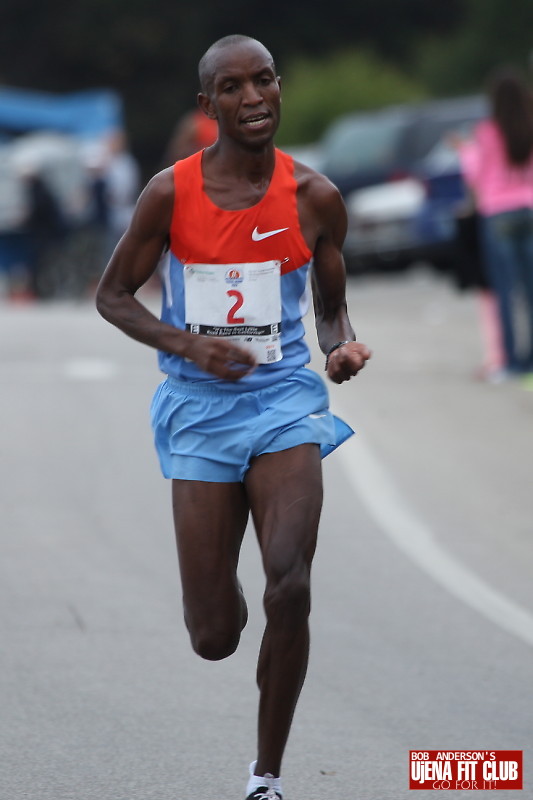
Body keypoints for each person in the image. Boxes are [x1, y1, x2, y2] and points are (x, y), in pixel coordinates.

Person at [96, 34, 371, 799]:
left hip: (283, 403)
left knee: (291, 584)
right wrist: (191, 344)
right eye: (232, 87)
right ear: (206, 104)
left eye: (263, 80)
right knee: (214, 635)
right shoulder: (170, 193)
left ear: (278, 87)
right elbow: (112, 295)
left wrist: (339, 349)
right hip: (199, 409)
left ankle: (265, 777)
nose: (252, 97)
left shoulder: (315, 196)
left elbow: (331, 307)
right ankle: (221, 589)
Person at [456, 66, 533, 379]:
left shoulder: (487, 131)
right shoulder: (529, 126)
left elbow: (475, 176)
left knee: (504, 292)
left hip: (498, 213)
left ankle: (511, 363)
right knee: (530, 290)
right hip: (528, 208)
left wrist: (464, 151)